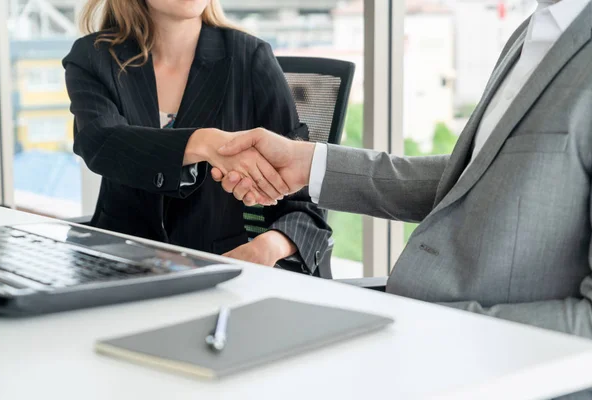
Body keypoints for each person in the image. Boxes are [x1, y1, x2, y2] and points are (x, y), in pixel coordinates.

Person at [212, 0, 592, 339]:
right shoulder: (532, 32)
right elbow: (472, 181)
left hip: (475, 349)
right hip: (413, 316)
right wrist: (309, 163)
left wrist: (430, 326)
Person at [62, 0, 331, 272]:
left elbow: (305, 208)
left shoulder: (250, 57)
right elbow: (101, 143)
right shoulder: (93, 56)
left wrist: (267, 247)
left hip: (216, 268)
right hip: (116, 266)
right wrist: (204, 142)